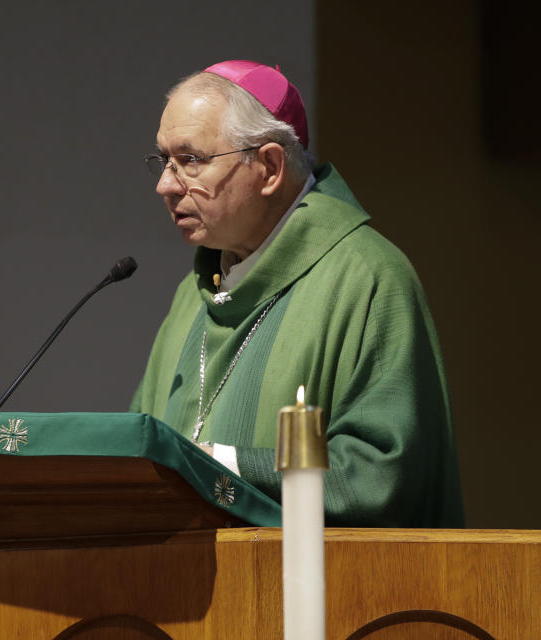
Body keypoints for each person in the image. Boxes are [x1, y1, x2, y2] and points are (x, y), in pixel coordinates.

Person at [130, 60, 463, 527]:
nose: (165, 185)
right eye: (163, 160)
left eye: (190, 160)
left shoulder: (366, 278)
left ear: (268, 166)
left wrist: (221, 462)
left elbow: (380, 475)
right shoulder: (195, 292)